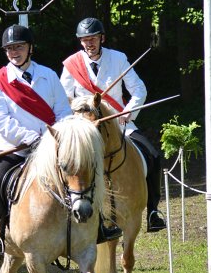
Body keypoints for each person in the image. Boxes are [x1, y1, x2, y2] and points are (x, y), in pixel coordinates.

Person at [60, 17, 166, 233]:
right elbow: (62, 98)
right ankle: (66, 212)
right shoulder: (71, 64)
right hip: (85, 129)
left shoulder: (118, 59)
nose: (89, 43)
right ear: (80, 42)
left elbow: (139, 89)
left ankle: (153, 211)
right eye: (85, 39)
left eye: (93, 38)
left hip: (118, 122)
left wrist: (128, 112)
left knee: (153, 155)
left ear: (102, 38)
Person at [0, 24, 73, 261]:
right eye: (10, 48)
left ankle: (95, 226)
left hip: (51, 147)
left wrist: (54, 137)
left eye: (19, 46)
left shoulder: (49, 75)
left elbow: (63, 111)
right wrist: (31, 138)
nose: (14, 52)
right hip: (14, 148)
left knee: (79, 174)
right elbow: (1, 121)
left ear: (30, 48)